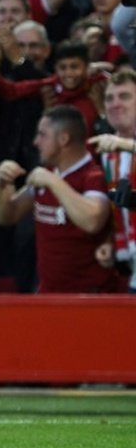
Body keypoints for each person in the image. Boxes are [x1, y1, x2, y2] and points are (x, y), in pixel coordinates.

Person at [0, 105, 122, 293]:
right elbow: (8, 215)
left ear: (63, 139)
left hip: (90, 298)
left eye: (42, 135)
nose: (36, 142)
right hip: (49, 294)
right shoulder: (47, 174)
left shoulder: (93, 176)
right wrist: (0, 185)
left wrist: (54, 182)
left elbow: (92, 220)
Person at [88, 68, 136, 292]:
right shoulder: (109, 151)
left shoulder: (117, 146)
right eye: (109, 98)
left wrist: (128, 146)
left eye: (124, 96)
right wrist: (110, 241)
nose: (115, 104)